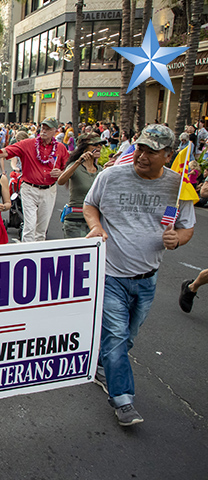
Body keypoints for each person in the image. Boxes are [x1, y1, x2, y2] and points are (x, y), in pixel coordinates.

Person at [84, 124, 195, 426]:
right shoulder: (111, 176)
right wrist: (96, 226)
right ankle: (123, 400)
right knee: (118, 335)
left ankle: (102, 361)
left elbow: (187, 227)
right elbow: (90, 205)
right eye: (140, 148)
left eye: (151, 152)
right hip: (110, 274)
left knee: (127, 336)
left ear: (169, 155)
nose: (142, 156)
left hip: (148, 277)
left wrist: (178, 239)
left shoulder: (178, 185)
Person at [0, 117, 69, 242]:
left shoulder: (61, 148)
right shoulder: (28, 144)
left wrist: (61, 172)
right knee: (30, 227)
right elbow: (5, 152)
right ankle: (26, 254)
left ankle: (37, 257)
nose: (44, 131)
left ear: (55, 131)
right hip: (29, 188)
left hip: (49, 189)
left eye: (48, 129)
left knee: (41, 230)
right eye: (42, 128)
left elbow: (68, 168)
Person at [57, 133, 103, 238]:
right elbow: (61, 181)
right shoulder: (75, 167)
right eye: (95, 145)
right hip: (75, 221)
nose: (99, 147)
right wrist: (78, 162)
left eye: (100, 145)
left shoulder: (100, 170)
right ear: (84, 149)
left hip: (94, 221)